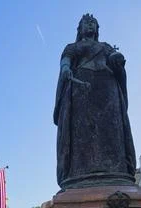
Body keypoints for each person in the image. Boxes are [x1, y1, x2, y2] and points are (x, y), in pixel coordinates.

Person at [54, 14, 136, 190]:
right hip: (82, 90)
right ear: (80, 29)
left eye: (93, 23)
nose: (90, 25)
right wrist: (66, 69)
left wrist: (117, 58)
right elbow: (65, 61)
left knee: (111, 129)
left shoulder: (105, 47)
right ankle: (82, 171)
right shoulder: (73, 47)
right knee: (83, 130)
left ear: (97, 29)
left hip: (107, 89)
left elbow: (115, 56)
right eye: (86, 23)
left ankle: (114, 168)